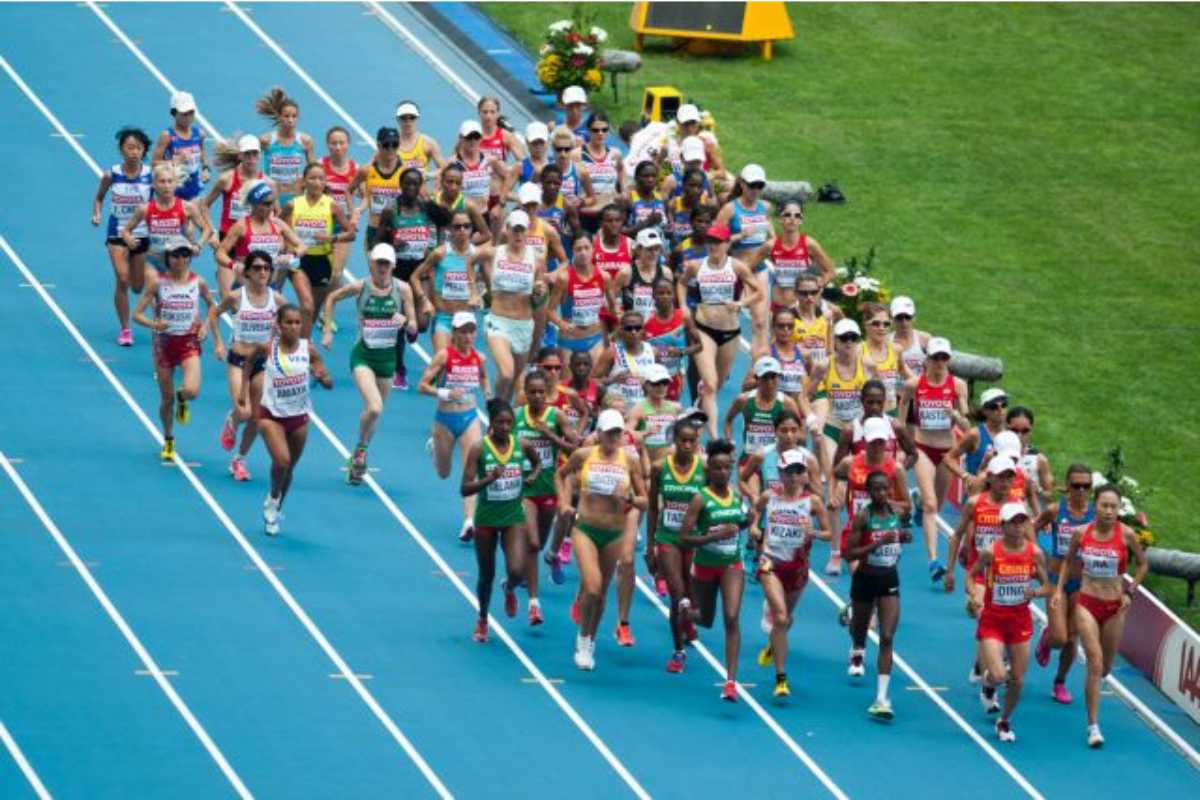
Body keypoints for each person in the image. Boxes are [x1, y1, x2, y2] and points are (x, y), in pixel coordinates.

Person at [1054, 485, 1148, 748]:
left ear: (1119, 510)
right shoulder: (1081, 533)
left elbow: (1143, 564)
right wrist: (1060, 590)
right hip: (1087, 603)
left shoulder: (1127, 535)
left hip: (1115, 607)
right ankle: (1093, 727)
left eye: (1113, 507)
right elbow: (1067, 561)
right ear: (1096, 506)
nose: (1108, 511)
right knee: (1094, 663)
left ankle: (1093, 713)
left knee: (1105, 668)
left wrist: (1130, 592)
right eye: (1104, 505)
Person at [320, 243, 417, 484]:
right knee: (374, 407)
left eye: (386, 263)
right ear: (371, 264)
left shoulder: (403, 290)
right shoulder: (360, 286)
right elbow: (332, 297)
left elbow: (414, 328)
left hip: (387, 359)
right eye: (378, 263)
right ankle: (361, 453)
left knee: (376, 414)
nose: (382, 268)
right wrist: (327, 330)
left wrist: (405, 321)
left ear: (393, 265)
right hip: (363, 354)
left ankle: (359, 451)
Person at [558, 409, 648, 670]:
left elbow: (644, 500)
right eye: (608, 432)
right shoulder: (584, 455)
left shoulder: (629, 461)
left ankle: (591, 639)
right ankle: (583, 640)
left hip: (614, 534)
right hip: (585, 528)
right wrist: (564, 504)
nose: (613, 437)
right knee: (593, 587)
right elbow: (561, 474)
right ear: (599, 433)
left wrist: (630, 499)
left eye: (618, 432)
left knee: (602, 593)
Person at [240, 304, 331, 535]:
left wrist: (322, 377)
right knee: (282, 461)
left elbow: (328, 381)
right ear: (279, 325)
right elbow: (248, 363)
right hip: (271, 416)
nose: (293, 327)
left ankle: (276, 509)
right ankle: (272, 497)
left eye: (297, 322)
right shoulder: (267, 348)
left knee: (290, 470)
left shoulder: (309, 350)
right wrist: (244, 391)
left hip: (299, 417)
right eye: (288, 322)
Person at [678, 439, 756, 701]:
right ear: (709, 471)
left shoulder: (736, 495)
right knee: (706, 619)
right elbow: (685, 537)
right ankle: (685, 613)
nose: (723, 473)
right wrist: (714, 536)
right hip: (704, 566)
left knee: (731, 618)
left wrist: (747, 522)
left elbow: (737, 525)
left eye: (727, 468)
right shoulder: (700, 499)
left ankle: (731, 682)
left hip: (732, 564)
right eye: (717, 469)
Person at [968, 502, 1051, 742]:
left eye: (1022, 521)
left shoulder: (1034, 553)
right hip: (993, 620)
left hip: (1019, 620)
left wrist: (1035, 593)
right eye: (1013, 522)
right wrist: (975, 596)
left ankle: (1004, 721)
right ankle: (987, 684)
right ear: (1002, 526)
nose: (1018, 526)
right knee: (998, 674)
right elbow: (971, 576)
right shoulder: (990, 553)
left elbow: (1048, 586)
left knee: (1018, 679)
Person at [461, 399, 542, 643]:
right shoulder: (479, 449)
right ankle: (483, 618)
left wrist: (532, 477)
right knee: (486, 575)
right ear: (491, 423)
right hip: (486, 519)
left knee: (517, 571)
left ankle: (509, 588)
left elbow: (538, 463)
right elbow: (464, 489)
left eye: (509, 422)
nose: (505, 427)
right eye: (500, 422)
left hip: (512, 517)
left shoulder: (522, 444)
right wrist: (488, 480)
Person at [753, 449, 832, 697]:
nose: (795, 477)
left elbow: (830, 534)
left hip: (797, 568)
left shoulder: (813, 502)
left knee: (785, 620)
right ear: (780, 473)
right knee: (780, 617)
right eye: (790, 472)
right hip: (771, 564)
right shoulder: (769, 497)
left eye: (800, 471)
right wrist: (755, 528)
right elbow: (754, 512)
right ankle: (781, 678)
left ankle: (773, 643)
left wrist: (815, 533)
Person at [130, 239, 219, 461]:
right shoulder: (158, 284)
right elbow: (137, 315)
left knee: (192, 391)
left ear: (190, 257)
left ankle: (183, 397)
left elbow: (213, 307)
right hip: (164, 344)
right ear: (167, 258)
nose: (180, 260)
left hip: (188, 342)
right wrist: (154, 324)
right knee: (166, 399)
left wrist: (206, 328)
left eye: (184, 255)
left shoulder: (198, 282)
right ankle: (169, 438)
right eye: (176, 256)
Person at [209, 250, 287, 481]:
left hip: (262, 363)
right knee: (243, 412)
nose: (262, 272)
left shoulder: (278, 301)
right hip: (239, 360)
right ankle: (232, 419)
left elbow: (289, 326)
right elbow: (214, 313)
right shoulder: (236, 297)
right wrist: (219, 343)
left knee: (257, 417)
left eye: (266, 268)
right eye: (257, 268)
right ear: (248, 272)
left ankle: (239, 459)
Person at [679, 223, 763, 437]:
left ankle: (699, 403)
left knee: (715, 385)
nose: (713, 246)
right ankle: (715, 437)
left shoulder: (737, 267)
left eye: (718, 242)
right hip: (704, 329)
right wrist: (683, 309)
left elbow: (758, 293)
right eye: (710, 241)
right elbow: (681, 284)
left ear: (727, 244)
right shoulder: (696, 266)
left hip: (730, 333)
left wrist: (740, 304)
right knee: (710, 382)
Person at [898, 336, 970, 581]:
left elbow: (966, 423)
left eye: (944, 358)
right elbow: (902, 415)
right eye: (935, 357)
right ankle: (933, 560)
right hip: (923, 449)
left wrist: (956, 415)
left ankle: (918, 501)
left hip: (948, 453)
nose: (939, 362)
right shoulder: (913, 384)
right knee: (931, 506)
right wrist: (902, 442)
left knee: (936, 507)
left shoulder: (958, 385)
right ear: (927, 359)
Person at [843, 471, 913, 720]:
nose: (881, 494)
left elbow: (905, 534)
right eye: (876, 490)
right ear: (869, 491)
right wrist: (877, 543)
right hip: (865, 579)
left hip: (889, 579)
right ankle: (856, 647)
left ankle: (881, 698)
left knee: (886, 636)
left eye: (885, 489)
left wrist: (904, 537)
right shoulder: (864, 517)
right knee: (860, 631)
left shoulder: (898, 512)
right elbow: (849, 554)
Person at [945, 456, 1021, 688]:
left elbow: (1028, 541)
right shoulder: (975, 503)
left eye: (1010, 476)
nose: (1006, 481)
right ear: (990, 478)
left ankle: (981, 665)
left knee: (997, 629)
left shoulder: (1017, 507)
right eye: (1001, 477)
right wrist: (950, 571)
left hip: (1006, 579)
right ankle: (992, 681)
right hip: (979, 576)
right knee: (989, 624)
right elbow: (957, 534)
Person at [375, 166, 449, 389]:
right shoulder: (391, 211)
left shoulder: (428, 210)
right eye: (407, 184)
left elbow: (443, 228)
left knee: (424, 323)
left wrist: (435, 248)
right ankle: (399, 370)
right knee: (399, 325)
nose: (411, 188)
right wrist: (391, 243)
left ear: (420, 187)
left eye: (415, 184)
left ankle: (412, 327)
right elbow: (376, 243)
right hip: (398, 273)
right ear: (401, 186)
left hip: (421, 272)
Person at [419, 312, 490, 543]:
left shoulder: (480, 357)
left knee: (472, 467)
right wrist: (446, 393)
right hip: (445, 420)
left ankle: (469, 521)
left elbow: (483, 378)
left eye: (472, 331)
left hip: (470, 418)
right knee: (444, 472)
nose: (468, 336)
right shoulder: (443, 356)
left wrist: (488, 394)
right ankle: (434, 446)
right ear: (455, 334)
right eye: (464, 331)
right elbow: (422, 386)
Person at [514, 369, 577, 623]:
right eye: (533, 392)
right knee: (532, 542)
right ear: (526, 394)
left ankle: (518, 576)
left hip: (549, 488)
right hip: (524, 488)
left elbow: (575, 447)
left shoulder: (556, 416)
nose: (538, 396)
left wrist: (550, 436)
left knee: (537, 544)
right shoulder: (516, 417)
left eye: (542, 392)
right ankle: (533, 603)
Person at [646, 416, 706, 673]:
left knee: (692, 596)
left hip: (694, 540)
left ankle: (688, 619)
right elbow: (651, 508)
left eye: (692, 441)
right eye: (682, 440)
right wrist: (650, 546)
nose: (687, 446)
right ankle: (678, 650)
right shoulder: (660, 468)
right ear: (674, 441)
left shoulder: (704, 470)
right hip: (668, 537)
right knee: (677, 595)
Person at [1031, 463, 1095, 703]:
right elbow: (1032, 527)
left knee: (1072, 636)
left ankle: (1059, 682)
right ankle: (1047, 639)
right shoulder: (1055, 510)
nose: (1080, 490)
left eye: (1085, 486)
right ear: (1067, 486)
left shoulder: (1096, 515)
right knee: (1059, 637)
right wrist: (1034, 554)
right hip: (1057, 580)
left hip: (1082, 582)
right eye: (1075, 485)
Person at [215, 181, 311, 334]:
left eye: (272, 203)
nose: (271, 207)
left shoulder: (277, 224)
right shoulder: (242, 226)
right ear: (254, 204)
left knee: (271, 334)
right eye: (266, 204)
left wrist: (291, 255)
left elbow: (302, 246)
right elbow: (220, 253)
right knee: (248, 335)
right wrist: (233, 265)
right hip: (244, 289)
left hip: (269, 287)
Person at [93, 127, 153, 345]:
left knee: (137, 286)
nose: (134, 152)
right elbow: (99, 198)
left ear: (144, 150)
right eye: (130, 147)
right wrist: (97, 214)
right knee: (123, 278)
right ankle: (125, 329)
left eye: (138, 148)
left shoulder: (150, 176)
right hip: (117, 232)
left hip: (141, 233)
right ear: (121, 149)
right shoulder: (112, 175)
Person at [833, 418, 912, 580]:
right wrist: (837, 492)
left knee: (878, 583)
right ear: (864, 441)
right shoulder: (850, 463)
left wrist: (885, 503)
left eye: (881, 442)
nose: (877, 447)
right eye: (872, 442)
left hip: (883, 532)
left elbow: (906, 507)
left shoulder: (896, 469)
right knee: (860, 578)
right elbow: (836, 473)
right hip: (855, 529)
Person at [282, 162, 355, 337]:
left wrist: (331, 238)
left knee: (311, 312)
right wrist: (288, 246)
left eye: (321, 178)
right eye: (312, 178)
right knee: (307, 305)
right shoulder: (293, 204)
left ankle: (298, 341)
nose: (316, 182)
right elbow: (277, 225)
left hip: (322, 261)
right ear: (304, 181)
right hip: (299, 262)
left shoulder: (331, 205)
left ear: (325, 182)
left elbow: (351, 233)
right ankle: (302, 347)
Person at [483, 210, 548, 401]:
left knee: (514, 380)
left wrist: (539, 292)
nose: (518, 234)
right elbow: (471, 259)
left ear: (527, 231)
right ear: (507, 230)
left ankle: (500, 410)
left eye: (522, 230)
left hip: (524, 324)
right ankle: (495, 407)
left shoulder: (537, 260)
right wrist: (474, 289)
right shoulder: (494, 253)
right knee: (506, 373)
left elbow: (539, 302)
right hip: (498, 321)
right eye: (514, 230)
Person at [204, 134, 272, 297]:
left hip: (252, 241)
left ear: (259, 155)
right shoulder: (227, 179)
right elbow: (205, 205)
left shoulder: (267, 182)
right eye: (247, 154)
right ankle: (224, 275)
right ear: (240, 155)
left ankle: (228, 276)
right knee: (228, 297)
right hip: (229, 239)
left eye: (254, 154)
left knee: (254, 294)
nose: (251, 158)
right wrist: (211, 232)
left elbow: (275, 212)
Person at [411, 209, 488, 354]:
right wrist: (424, 300)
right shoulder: (440, 253)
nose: (462, 230)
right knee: (442, 360)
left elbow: (489, 284)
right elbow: (415, 277)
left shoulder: (478, 255)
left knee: (461, 366)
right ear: (449, 230)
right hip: (443, 318)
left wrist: (478, 295)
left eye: (466, 226)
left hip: (466, 318)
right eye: (457, 227)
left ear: (472, 229)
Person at [716, 164, 773, 346]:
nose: (756, 190)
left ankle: (760, 367)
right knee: (727, 319)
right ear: (741, 184)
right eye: (752, 185)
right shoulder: (730, 209)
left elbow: (773, 238)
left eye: (760, 186)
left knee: (760, 321)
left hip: (758, 268)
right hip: (735, 269)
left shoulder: (765, 207)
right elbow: (715, 240)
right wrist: (740, 235)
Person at [121, 163, 213, 274]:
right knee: (151, 285)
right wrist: (128, 239)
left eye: (170, 181)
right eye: (162, 181)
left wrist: (198, 245)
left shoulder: (187, 207)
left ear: (176, 184)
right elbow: (126, 230)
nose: (166, 186)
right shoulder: (144, 209)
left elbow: (207, 229)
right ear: (154, 184)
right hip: (154, 258)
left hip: (177, 259)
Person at [548, 235, 613, 363]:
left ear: (593, 249)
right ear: (572, 251)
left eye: (586, 248)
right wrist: (562, 324)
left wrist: (609, 328)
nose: (583, 253)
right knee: (567, 382)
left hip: (595, 338)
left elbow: (613, 308)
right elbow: (549, 310)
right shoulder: (564, 278)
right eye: (578, 249)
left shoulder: (604, 277)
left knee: (593, 380)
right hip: (569, 341)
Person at [725, 355, 805, 459]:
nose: (769, 383)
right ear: (757, 379)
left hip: (778, 460)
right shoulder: (743, 400)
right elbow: (728, 421)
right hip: (749, 458)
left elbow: (800, 430)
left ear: (779, 377)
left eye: (773, 377)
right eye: (765, 378)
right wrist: (730, 442)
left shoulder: (787, 403)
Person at [766, 200, 835, 312]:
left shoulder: (809, 244)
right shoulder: (770, 245)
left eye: (797, 215)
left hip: (801, 306)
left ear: (801, 220)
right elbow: (749, 268)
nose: (792, 218)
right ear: (780, 219)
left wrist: (815, 288)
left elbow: (830, 271)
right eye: (787, 215)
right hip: (776, 305)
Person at [643, 277, 701, 402]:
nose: (665, 296)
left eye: (668, 293)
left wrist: (681, 352)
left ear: (674, 295)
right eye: (661, 293)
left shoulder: (683, 317)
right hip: (650, 376)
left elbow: (701, 345)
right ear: (653, 296)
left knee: (670, 412)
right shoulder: (646, 320)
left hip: (674, 376)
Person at [256, 87, 315, 208]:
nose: (290, 120)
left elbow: (313, 171)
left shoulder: (305, 141)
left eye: (294, 116)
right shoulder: (266, 140)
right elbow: (251, 162)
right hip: (271, 197)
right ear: (279, 117)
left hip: (295, 197)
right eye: (286, 116)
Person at [942, 387, 1009, 486]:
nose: (1000, 410)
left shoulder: (1011, 433)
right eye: (994, 407)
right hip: (978, 494)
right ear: (985, 411)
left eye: (1004, 405)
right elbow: (948, 458)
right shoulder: (975, 435)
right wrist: (966, 476)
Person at [593, 309, 657, 410]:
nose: (633, 332)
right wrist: (612, 380)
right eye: (629, 328)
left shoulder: (652, 351)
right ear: (621, 331)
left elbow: (661, 382)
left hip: (643, 409)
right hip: (617, 407)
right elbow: (592, 381)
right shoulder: (612, 352)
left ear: (643, 330)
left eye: (637, 328)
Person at [320, 126, 360, 285]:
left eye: (341, 143)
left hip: (344, 225)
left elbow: (366, 195)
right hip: (323, 223)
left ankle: (330, 306)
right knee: (323, 271)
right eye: (333, 143)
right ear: (328, 144)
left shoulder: (356, 169)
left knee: (336, 272)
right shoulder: (320, 166)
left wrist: (357, 211)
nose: (337, 147)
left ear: (348, 144)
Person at [152, 91, 208, 202]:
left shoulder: (200, 134)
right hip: (173, 193)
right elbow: (154, 163)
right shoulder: (166, 136)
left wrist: (206, 170)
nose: (188, 117)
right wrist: (175, 161)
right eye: (184, 113)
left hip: (195, 190)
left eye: (191, 113)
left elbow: (202, 154)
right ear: (174, 113)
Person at [860, 303, 912, 415]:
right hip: (866, 414)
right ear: (865, 324)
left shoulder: (896, 349)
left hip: (891, 412)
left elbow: (904, 372)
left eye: (886, 324)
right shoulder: (858, 351)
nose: (881, 328)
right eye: (876, 323)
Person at [613, 228, 672, 323]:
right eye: (649, 249)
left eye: (656, 249)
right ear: (638, 250)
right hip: (633, 327)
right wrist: (621, 317)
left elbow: (670, 302)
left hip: (656, 324)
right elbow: (612, 299)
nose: (654, 253)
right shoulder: (626, 273)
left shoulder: (666, 273)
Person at [579, 113, 624, 234]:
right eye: (596, 130)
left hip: (609, 216)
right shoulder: (577, 155)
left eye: (604, 130)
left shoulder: (615, 154)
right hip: (587, 214)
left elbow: (621, 175)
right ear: (588, 131)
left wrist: (620, 193)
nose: (600, 133)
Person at [393, 100, 444, 175]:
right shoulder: (389, 144)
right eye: (403, 118)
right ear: (397, 119)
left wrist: (427, 176)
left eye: (412, 117)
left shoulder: (428, 143)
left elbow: (444, 169)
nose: (408, 122)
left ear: (417, 118)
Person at [622, 160, 666, 240]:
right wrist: (648, 222)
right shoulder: (628, 199)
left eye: (654, 176)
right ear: (636, 178)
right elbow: (621, 231)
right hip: (637, 247)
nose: (650, 180)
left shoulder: (662, 198)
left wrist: (669, 228)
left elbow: (670, 227)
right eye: (646, 176)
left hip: (661, 248)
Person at [889, 296, 930, 379]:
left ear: (914, 317)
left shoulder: (924, 339)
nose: (904, 322)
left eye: (907, 317)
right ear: (891, 319)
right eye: (899, 317)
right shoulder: (886, 341)